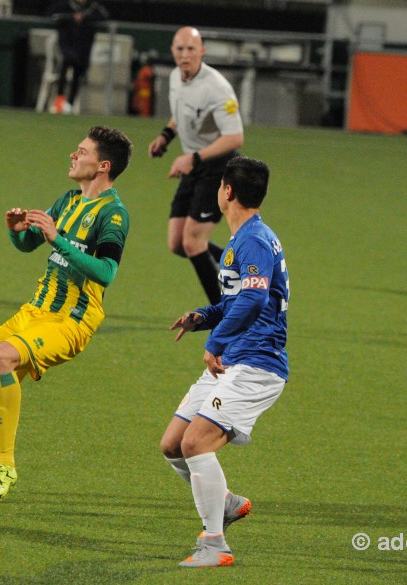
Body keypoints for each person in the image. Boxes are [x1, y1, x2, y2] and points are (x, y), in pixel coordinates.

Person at [0, 125, 133, 502]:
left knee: (2, 357)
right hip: (33, 313)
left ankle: (4, 466)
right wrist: (16, 230)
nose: (73, 155)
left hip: (71, 320)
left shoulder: (113, 214)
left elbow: (106, 273)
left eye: (81, 151)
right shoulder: (67, 200)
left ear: (103, 165)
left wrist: (58, 239)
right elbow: (27, 242)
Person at [160, 156, 288, 567]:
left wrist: (215, 341)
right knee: (173, 446)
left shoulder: (252, 240)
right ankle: (226, 502)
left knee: (195, 443)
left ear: (227, 192)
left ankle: (215, 544)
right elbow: (239, 299)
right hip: (234, 358)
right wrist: (204, 317)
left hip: (256, 365)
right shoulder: (245, 237)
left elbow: (252, 300)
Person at [148, 26, 244, 305]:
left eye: (191, 49)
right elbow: (181, 115)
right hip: (195, 165)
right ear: (173, 51)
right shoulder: (177, 78)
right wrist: (165, 137)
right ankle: (236, 266)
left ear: (202, 51)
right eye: (180, 49)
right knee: (178, 244)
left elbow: (235, 137)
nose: (185, 54)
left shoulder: (217, 87)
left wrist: (193, 158)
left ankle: (224, 313)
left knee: (193, 242)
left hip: (218, 168)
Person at [47, 0, 110, 114]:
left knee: (78, 70)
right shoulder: (64, 5)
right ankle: (59, 102)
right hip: (67, 46)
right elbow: (53, 15)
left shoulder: (92, 7)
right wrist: (71, 17)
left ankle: (69, 104)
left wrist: (84, 17)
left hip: (82, 50)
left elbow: (104, 16)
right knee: (66, 63)